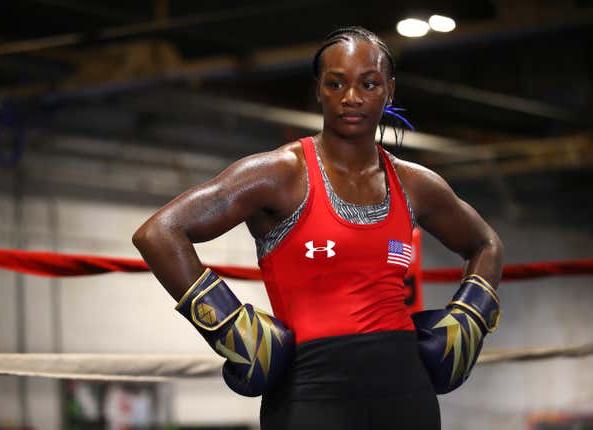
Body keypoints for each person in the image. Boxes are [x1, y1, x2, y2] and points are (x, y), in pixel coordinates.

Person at [133, 26, 503, 429]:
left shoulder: (414, 184)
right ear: (318, 90)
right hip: (310, 394)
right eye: (336, 83)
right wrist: (230, 327)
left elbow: (485, 244)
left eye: (369, 83)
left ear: (389, 90)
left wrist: (469, 321)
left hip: (407, 393)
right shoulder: (278, 174)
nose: (352, 98)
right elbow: (160, 232)